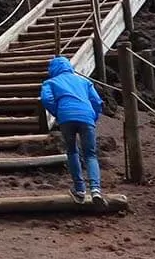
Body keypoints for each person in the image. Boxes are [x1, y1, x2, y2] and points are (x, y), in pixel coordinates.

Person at [40, 55, 106, 207]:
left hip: (66, 118)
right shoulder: (84, 81)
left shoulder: (50, 82)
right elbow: (97, 102)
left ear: (53, 69)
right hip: (87, 117)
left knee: (72, 151)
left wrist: (58, 112)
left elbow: (46, 99)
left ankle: (80, 189)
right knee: (90, 154)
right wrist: (93, 117)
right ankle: (96, 189)